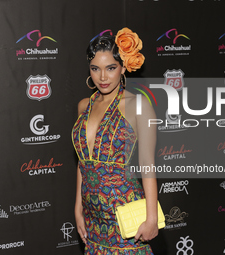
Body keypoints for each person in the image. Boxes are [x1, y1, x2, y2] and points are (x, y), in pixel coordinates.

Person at [72, 28, 158, 254]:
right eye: (95, 69)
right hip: (91, 218)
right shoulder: (84, 106)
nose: (102, 77)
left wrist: (152, 218)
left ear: (123, 68)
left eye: (110, 68)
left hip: (124, 217)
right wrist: (78, 208)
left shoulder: (139, 106)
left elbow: (148, 163)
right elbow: (83, 162)